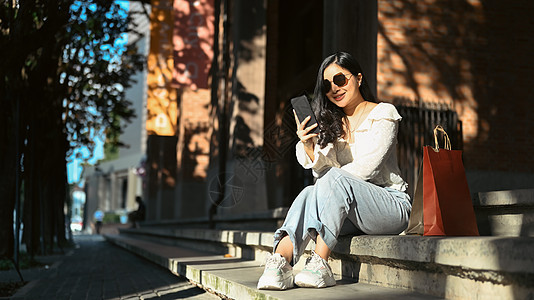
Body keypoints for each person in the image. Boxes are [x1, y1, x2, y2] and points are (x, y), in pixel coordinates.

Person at [257, 52, 411, 290]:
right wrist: (309, 146)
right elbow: (322, 181)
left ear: (358, 78)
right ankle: (279, 263)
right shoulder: (332, 124)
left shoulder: (383, 113)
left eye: (340, 79)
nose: (334, 89)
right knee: (310, 192)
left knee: (331, 180)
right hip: (353, 212)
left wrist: (332, 178)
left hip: (391, 206)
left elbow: (368, 168)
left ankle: (320, 263)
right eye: (327, 85)